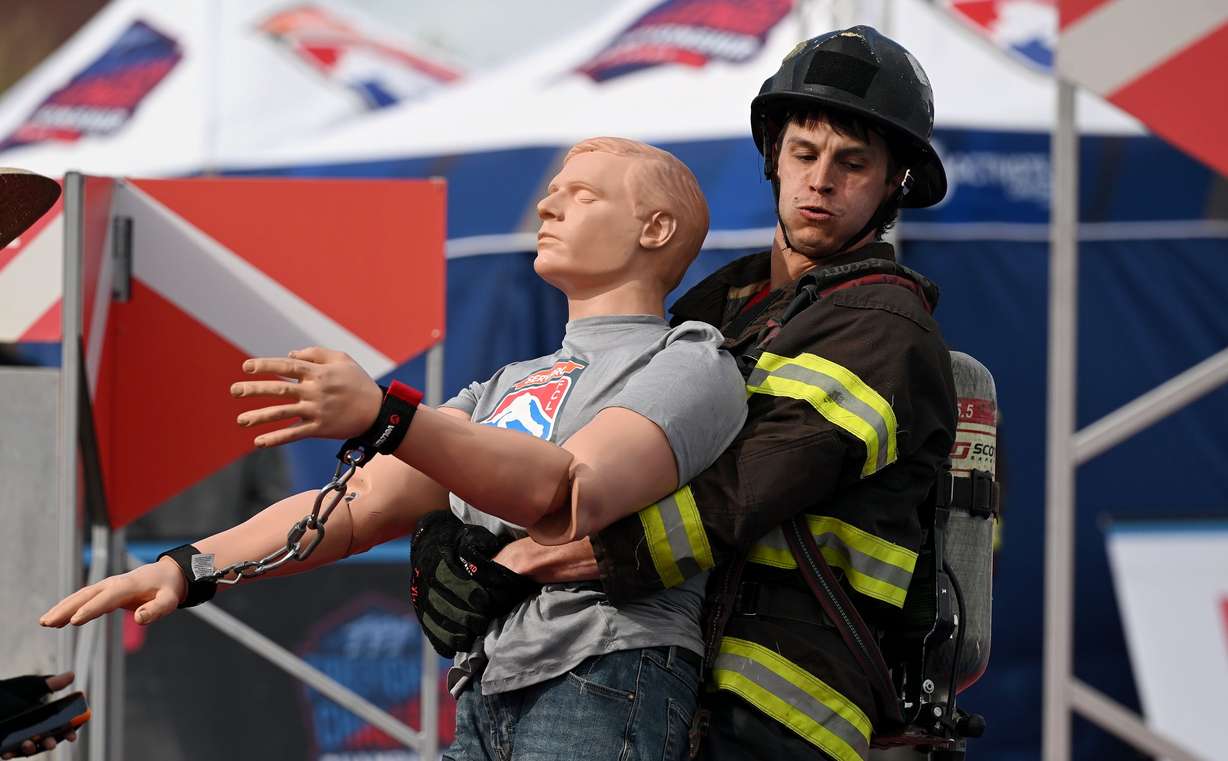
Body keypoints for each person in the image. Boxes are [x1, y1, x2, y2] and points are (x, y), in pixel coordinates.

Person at [40, 137, 749, 761]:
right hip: (488, 688)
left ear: (656, 228)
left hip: (608, 673)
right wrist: (191, 567)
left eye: (581, 195)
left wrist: (386, 415)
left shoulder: (690, 359)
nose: (546, 209)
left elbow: (566, 495)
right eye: (550, 192)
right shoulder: (505, 384)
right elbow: (354, 506)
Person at [413, 27, 959, 761]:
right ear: (774, 157)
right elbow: (612, 430)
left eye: (852, 163)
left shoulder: (886, 326)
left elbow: (732, 493)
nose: (820, 180)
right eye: (804, 153)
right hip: (668, 676)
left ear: (894, 185)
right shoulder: (726, 300)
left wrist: (511, 562)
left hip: (780, 701)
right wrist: (451, 537)